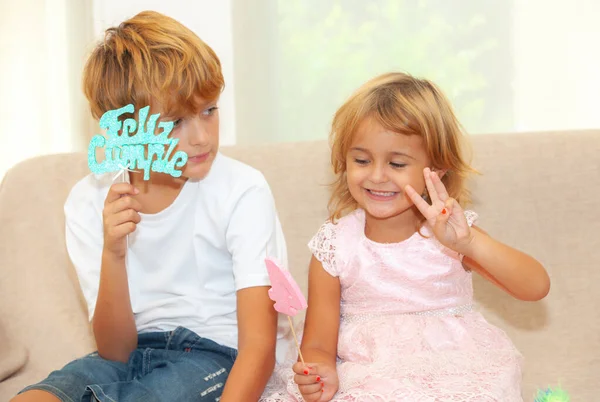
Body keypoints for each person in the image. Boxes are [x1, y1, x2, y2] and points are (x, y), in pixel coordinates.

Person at [13, 10, 287, 402]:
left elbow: (259, 347)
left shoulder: (242, 189)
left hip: (219, 353)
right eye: (175, 122)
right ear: (123, 131)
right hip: (133, 354)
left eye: (209, 110)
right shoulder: (89, 200)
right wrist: (113, 252)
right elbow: (115, 350)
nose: (201, 137)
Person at [261, 72, 550, 402]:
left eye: (397, 163)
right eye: (361, 160)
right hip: (372, 376)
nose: (377, 175)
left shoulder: (453, 235)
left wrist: (469, 244)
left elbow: (535, 286)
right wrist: (320, 371)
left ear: (437, 169)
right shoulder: (335, 245)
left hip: (456, 371)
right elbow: (317, 343)